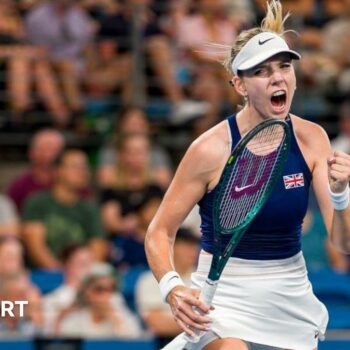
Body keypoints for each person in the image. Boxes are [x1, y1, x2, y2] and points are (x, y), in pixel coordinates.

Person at [144, 1, 350, 349]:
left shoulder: (313, 138)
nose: (278, 77)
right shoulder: (209, 149)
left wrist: (340, 195)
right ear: (239, 86)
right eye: (262, 71)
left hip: (289, 299)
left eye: (284, 66)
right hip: (223, 297)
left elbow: (343, 243)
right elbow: (159, 231)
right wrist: (172, 288)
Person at [22, 148, 107, 269]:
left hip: (81, 275)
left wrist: (82, 274)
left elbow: (98, 247)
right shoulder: (37, 202)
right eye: (76, 166)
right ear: (57, 170)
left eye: (85, 167)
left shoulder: (90, 208)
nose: (82, 172)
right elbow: (35, 247)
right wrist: (60, 273)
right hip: (44, 275)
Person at [136, 227, 199, 349]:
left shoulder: (201, 279)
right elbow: (157, 324)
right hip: (161, 343)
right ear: (172, 247)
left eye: (195, 246)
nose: (193, 251)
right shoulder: (149, 280)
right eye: (187, 245)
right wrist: (196, 324)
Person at [56, 262, 142, 338]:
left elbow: (133, 344)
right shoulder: (73, 321)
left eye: (111, 289)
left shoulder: (126, 319)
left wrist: (117, 321)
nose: (105, 295)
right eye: (99, 289)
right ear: (86, 292)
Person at [7, 128, 65, 212]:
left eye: (53, 150)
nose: (47, 155)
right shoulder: (20, 185)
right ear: (31, 152)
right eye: (43, 149)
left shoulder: (73, 183)